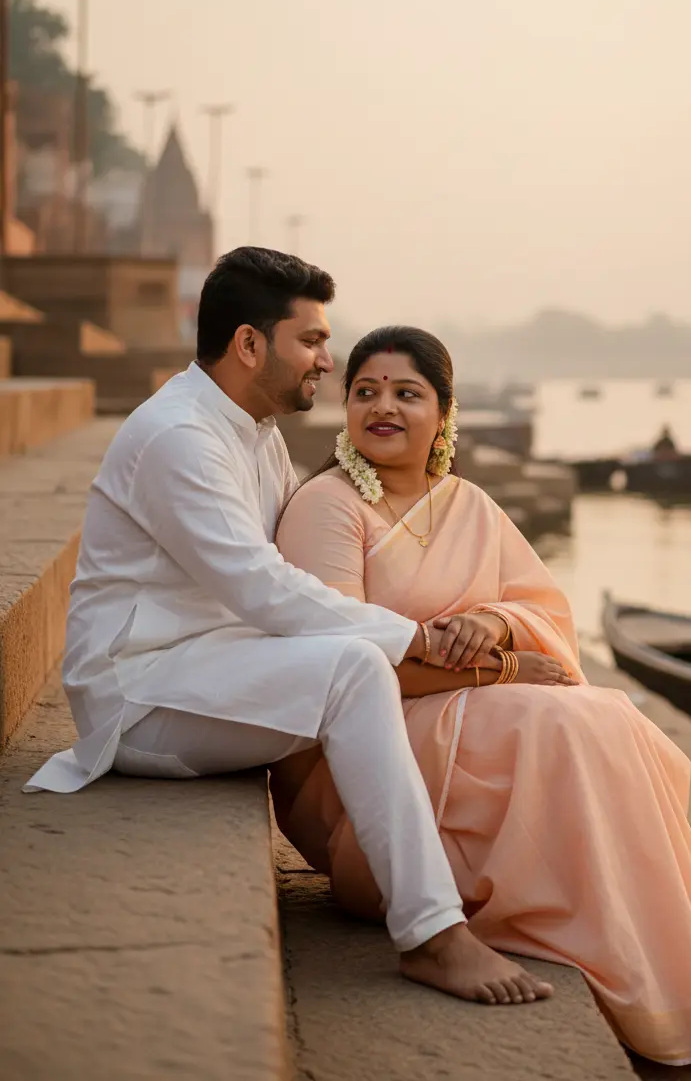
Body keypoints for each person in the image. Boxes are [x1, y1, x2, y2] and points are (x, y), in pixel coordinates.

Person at [24, 248, 554, 1007]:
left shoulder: (254, 430)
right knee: (357, 669)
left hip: (212, 666)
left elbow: (291, 572)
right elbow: (266, 589)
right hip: (141, 694)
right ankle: (433, 935)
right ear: (249, 344)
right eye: (310, 341)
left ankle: (449, 881)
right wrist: (420, 640)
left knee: (357, 661)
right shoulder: (180, 437)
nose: (326, 362)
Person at [271, 325, 691, 1067]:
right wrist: (499, 669)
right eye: (365, 391)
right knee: (558, 728)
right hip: (364, 749)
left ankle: (646, 953)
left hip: (462, 716)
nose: (383, 407)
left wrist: (494, 622)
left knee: (609, 718)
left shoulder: (469, 504)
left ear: (444, 414)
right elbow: (339, 666)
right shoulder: (328, 506)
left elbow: (545, 616)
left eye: (407, 393)